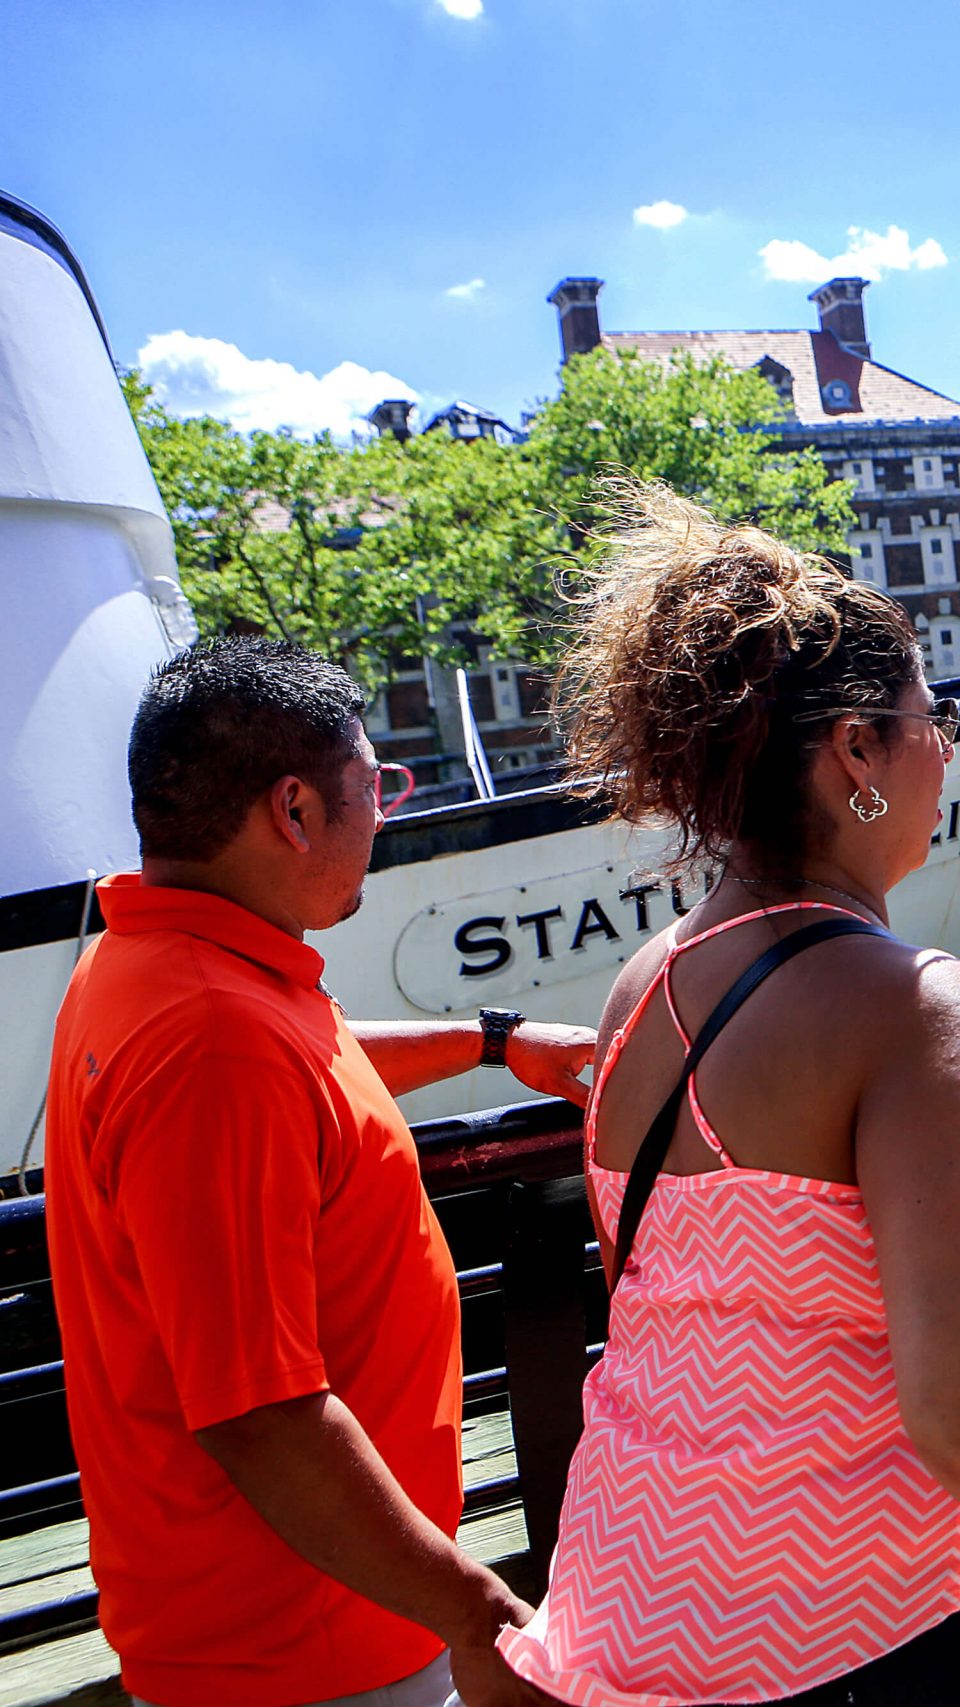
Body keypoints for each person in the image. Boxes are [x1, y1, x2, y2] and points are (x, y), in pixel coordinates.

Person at [497, 482, 960, 1707]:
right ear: (857, 749)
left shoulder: (644, 986)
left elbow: (684, 1305)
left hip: (645, 1605)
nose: (946, 748)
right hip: (888, 1631)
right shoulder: (914, 1004)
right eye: (930, 716)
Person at [45, 637, 597, 1707]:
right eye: (373, 782)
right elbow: (262, 1415)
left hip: (273, 1619)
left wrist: (492, 1040)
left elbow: (313, 1059)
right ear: (294, 810)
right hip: (305, 1651)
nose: (384, 810)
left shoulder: (142, 966)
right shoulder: (213, 1039)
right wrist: (477, 1613)